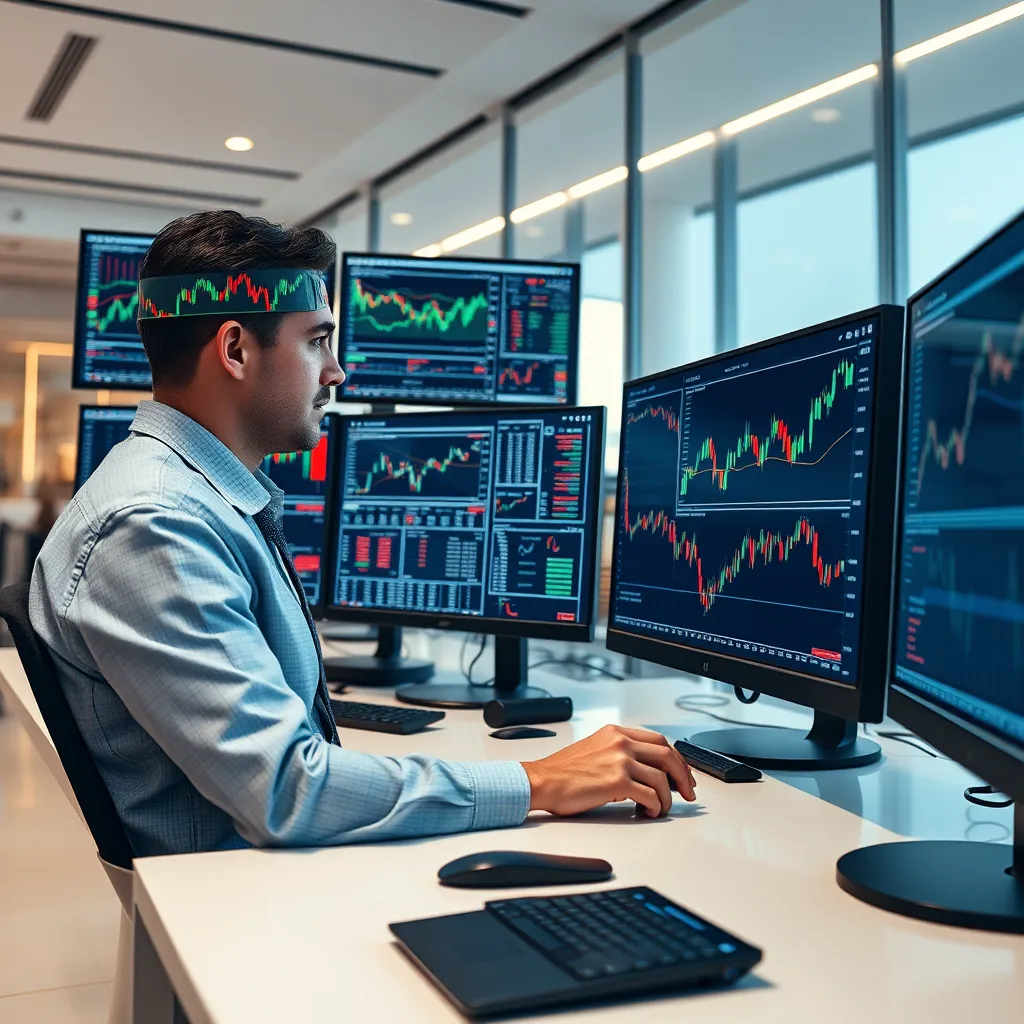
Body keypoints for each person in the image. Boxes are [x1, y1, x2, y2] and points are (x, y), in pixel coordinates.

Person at [29, 211, 695, 857]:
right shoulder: (157, 525)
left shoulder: (190, 499)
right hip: (238, 901)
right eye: (317, 340)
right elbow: (289, 791)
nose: (337, 371)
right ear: (235, 349)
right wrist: (541, 781)